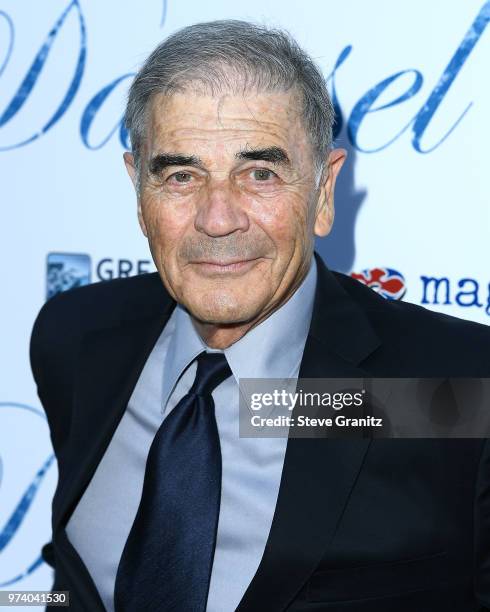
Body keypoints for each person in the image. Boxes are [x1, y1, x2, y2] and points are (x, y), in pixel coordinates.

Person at [30, 19, 490, 612]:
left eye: (261, 174)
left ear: (324, 192)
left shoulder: (457, 385)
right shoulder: (77, 337)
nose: (218, 218)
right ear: (138, 191)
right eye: (181, 175)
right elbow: (71, 574)